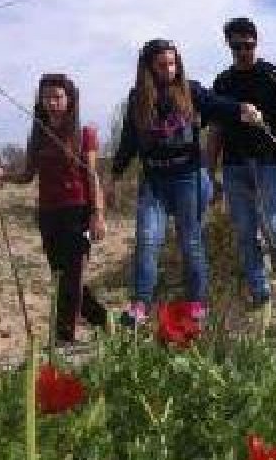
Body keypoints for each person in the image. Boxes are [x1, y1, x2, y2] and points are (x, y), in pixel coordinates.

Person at [110, 39, 259, 324]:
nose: (169, 70)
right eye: (162, 65)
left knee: (190, 241)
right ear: (149, 68)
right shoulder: (137, 98)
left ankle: (197, 304)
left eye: (173, 63)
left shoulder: (190, 90)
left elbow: (218, 106)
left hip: (187, 178)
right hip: (153, 180)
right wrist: (114, 175)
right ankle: (139, 306)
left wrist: (242, 108)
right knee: (147, 239)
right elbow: (128, 140)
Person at [0, 74, 108, 345]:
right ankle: (102, 320)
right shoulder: (39, 134)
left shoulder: (85, 134)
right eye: (47, 97)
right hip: (49, 214)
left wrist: (97, 213)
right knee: (61, 278)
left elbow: (92, 176)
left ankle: (63, 338)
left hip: (78, 212)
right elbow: (28, 174)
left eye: (58, 97)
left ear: (69, 99)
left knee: (73, 275)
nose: (52, 102)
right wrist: (3, 175)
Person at [207, 18, 276, 304]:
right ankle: (260, 293)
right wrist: (208, 172)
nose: (243, 51)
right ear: (229, 46)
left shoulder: (269, 76)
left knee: (273, 224)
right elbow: (216, 129)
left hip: (268, 161)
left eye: (248, 45)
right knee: (246, 231)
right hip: (235, 164)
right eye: (237, 46)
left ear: (256, 43)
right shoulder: (223, 82)